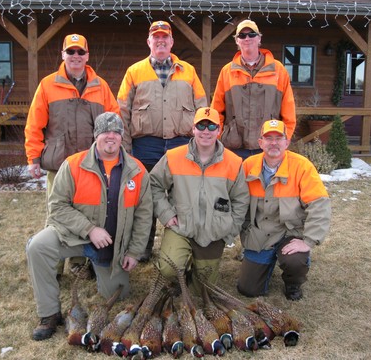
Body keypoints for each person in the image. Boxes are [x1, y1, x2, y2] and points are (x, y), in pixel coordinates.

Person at [26, 112, 152, 341]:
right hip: (74, 237)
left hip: (111, 247)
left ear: (122, 136)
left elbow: (145, 215)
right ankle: (49, 314)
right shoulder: (73, 164)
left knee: (119, 295)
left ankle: (98, 267)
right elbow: (57, 206)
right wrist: (90, 229)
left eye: (116, 132)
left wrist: (134, 251)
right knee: (37, 247)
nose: (111, 137)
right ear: (96, 135)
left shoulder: (138, 170)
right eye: (105, 131)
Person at [24, 33, 120, 278]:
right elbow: (34, 124)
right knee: (56, 213)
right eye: (71, 52)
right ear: (63, 54)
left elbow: (115, 123)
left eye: (80, 52)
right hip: (59, 164)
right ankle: (52, 265)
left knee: (85, 214)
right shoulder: (47, 85)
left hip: (90, 166)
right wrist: (33, 157)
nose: (75, 56)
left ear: (87, 56)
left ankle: (78, 263)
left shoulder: (101, 86)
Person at [117, 20, 207, 262]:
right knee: (144, 197)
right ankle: (142, 248)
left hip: (180, 144)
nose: (160, 41)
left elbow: (202, 110)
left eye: (164, 37)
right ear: (149, 41)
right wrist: (124, 148)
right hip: (145, 145)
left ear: (171, 41)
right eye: (155, 37)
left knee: (182, 195)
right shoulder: (134, 72)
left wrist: (202, 145)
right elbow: (122, 113)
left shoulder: (188, 71)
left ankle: (180, 244)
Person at [150, 107, 249, 293]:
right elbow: (153, 184)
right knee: (169, 269)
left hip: (213, 233)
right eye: (201, 125)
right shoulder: (173, 157)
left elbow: (241, 200)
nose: (206, 131)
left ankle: (192, 274)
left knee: (202, 289)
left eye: (212, 126)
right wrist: (166, 213)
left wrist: (229, 229)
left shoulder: (234, 162)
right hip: (181, 227)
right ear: (193, 129)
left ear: (219, 131)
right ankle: (180, 268)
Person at [237, 119, 331, 301]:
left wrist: (308, 241)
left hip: (291, 233)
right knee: (248, 290)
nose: (273, 143)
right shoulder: (248, 166)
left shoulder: (302, 167)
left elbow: (320, 205)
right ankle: (263, 262)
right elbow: (237, 201)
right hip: (260, 234)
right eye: (268, 138)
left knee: (295, 261)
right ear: (260, 143)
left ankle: (293, 282)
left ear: (287, 143)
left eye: (279, 138)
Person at [211, 19, 296, 160]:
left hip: (268, 145)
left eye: (251, 34)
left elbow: (289, 112)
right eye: (242, 36)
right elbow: (216, 111)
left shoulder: (278, 70)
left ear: (259, 38)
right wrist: (220, 136)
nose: (247, 38)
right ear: (237, 41)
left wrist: (284, 139)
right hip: (234, 147)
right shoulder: (227, 71)